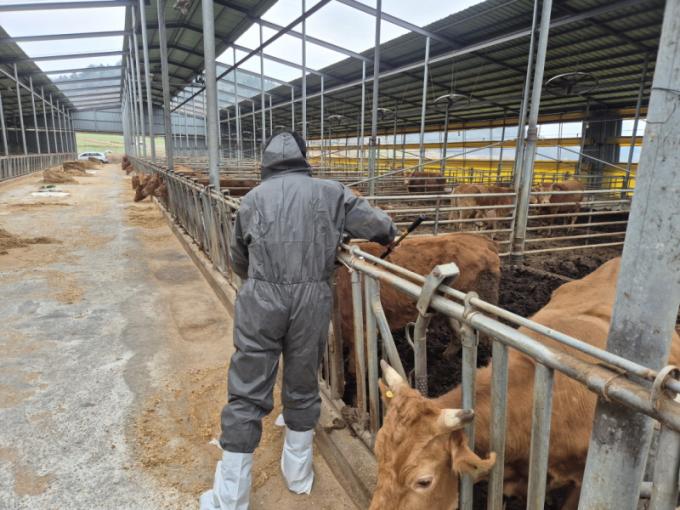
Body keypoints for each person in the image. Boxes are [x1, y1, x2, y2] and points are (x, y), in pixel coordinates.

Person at [200, 131, 397, 509]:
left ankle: (230, 498)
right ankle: (298, 476)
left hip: (261, 298)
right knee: (303, 379)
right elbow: (378, 225)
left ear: (266, 161)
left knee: (247, 389)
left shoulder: (252, 199)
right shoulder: (331, 192)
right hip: (311, 298)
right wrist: (388, 232)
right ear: (304, 158)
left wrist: (260, 280)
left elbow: (238, 258)